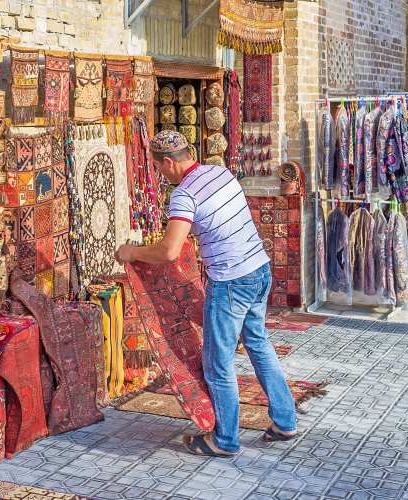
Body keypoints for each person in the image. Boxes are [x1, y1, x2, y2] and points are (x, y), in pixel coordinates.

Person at [114, 130, 297, 457]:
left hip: (231, 282)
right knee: (257, 343)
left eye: (159, 169)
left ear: (169, 162)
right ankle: (284, 421)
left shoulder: (184, 194)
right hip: (259, 268)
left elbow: (170, 251)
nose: (160, 176)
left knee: (217, 364)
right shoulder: (220, 171)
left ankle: (225, 440)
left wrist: (133, 253)